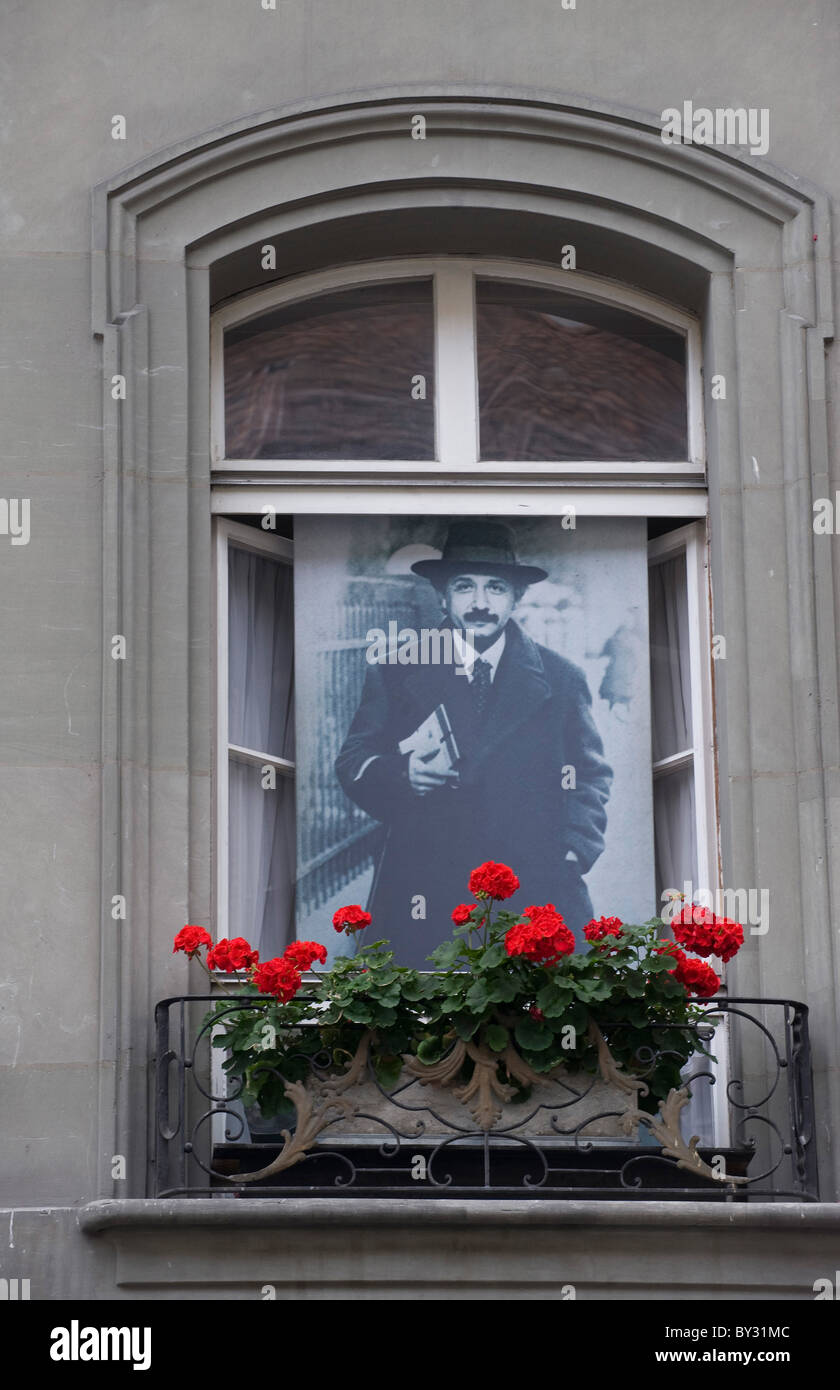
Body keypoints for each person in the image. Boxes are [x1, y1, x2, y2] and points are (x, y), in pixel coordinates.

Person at [334, 521, 613, 968]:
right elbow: (353, 762)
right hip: (424, 880)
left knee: (535, 1015)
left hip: (530, 882)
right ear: (442, 596)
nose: (480, 603)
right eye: (464, 587)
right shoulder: (397, 670)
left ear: (516, 598)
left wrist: (572, 850)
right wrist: (402, 775)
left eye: (496, 588)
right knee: (422, 1021)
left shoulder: (561, 679)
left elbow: (590, 775)